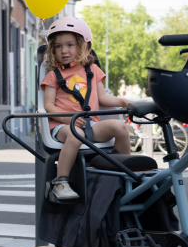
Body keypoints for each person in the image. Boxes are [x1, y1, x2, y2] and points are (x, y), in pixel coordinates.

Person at [40, 17, 130, 200]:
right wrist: (67, 119)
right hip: (62, 126)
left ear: (83, 46)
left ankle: (123, 170)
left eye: (70, 45)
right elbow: (48, 105)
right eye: (58, 46)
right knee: (76, 135)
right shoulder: (52, 75)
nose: (64, 50)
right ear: (52, 50)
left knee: (120, 127)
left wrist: (124, 102)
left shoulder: (93, 70)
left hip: (90, 124)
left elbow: (103, 98)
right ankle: (60, 182)